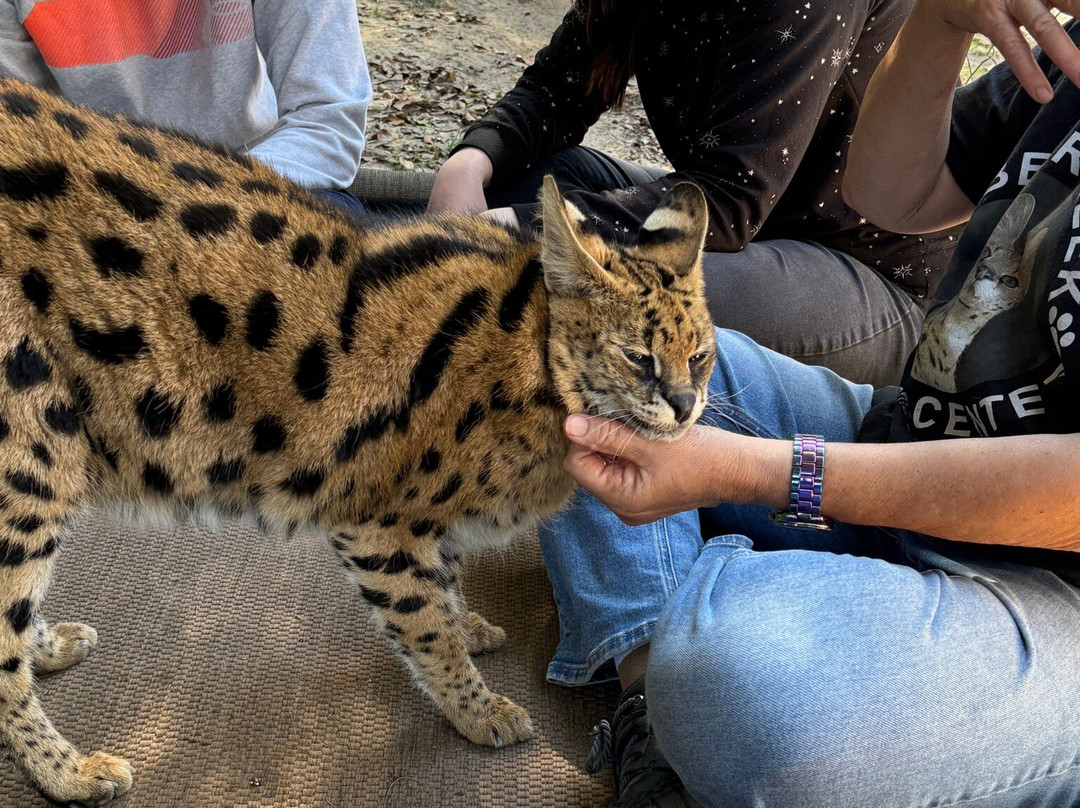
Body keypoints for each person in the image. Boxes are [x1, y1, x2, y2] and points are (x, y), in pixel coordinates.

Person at [541, 0, 1080, 806]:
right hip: (911, 436)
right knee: (559, 349)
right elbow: (889, 193)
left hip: (1051, 590)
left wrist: (762, 474)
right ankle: (647, 695)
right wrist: (939, 22)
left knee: (745, 689)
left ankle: (733, 613)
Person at [429, 0, 965, 388]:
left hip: (875, 275)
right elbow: (557, 90)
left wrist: (507, 228)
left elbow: (732, 200)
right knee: (542, 181)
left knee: (656, 306)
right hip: (751, 228)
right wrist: (469, 165)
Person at [0, 0, 371, 216]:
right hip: (92, 200)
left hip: (259, 184)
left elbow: (327, 120)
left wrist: (185, 200)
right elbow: (15, 137)